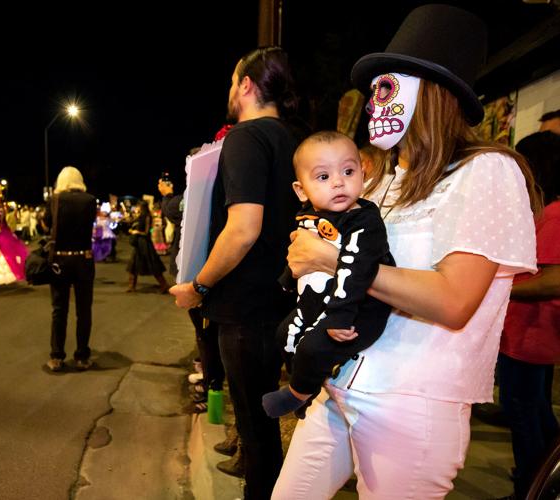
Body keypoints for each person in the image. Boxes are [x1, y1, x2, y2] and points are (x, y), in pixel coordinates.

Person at [273, 6, 541, 498]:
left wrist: (333, 260)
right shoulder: (386, 183)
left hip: (412, 403)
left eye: (386, 88)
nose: (374, 105)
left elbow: (454, 301)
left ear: (434, 93)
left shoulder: (487, 172)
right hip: (343, 384)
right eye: (373, 91)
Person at [170, 46, 301, 500]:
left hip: (246, 306)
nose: (230, 90)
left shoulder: (246, 138)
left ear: (246, 85)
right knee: (266, 424)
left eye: (232, 81)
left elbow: (243, 228)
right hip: (280, 298)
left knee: (257, 431)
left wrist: (198, 286)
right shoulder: (291, 138)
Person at [261, 131, 394, 420]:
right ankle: (307, 384)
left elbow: (355, 270)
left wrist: (340, 316)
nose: (338, 182)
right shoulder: (310, 213)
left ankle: (297, 393)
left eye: (348, 171)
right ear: (301, 190)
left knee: (313, 346)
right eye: (323, 177)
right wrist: (287, 281)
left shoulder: (364, 221)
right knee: (283, 335)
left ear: (363, 172)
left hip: (357, 310)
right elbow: (299, 250)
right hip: (319, 300)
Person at [497, 129, 560, 499]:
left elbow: (553, 281)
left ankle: (531, 490)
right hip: (528, 336)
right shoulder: (547, 210)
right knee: (535, 413)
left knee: (523, 414)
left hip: (528, 339)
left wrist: (501, 291)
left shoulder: (553, 215)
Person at [42, 166, 97, 372]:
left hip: (60, 261)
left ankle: (57, 357)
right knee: (83, 310)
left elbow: (46, 226)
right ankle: (82, 356)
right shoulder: (90, 200)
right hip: (84, 258)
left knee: (59, 309)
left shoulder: (55, 200)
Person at [126, 200, 170, 293]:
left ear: (142, 207)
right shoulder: (139, 216)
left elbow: (146, 232)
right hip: (139, 243)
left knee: (153, 264)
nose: (137, 208)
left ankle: (164, 285)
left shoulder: (147, 217)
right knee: (133, 264)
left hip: (145, 243)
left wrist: (136, 232)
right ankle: (131, 286)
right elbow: (131, 223)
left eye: (138, 206)